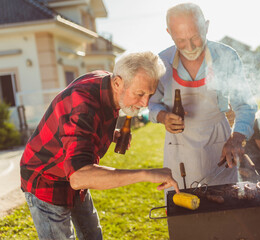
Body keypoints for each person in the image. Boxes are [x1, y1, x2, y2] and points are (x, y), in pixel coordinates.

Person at [20, 51, 179, 240]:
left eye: (149, 94)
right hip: (46, 177)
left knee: (93, 235)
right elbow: (79, 176)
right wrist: (146, 174)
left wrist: (110, 134)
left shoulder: (106, 82)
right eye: (140, 94)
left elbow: (78, 129)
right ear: (118, 82)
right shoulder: (83, 104)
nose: (145, 102)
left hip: (72, 170)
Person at [148, 3, 257, 190]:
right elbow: (152, 105)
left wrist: (237, 138)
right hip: (178, 147)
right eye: (180, 40)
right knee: (182, 207)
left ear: (206, 27)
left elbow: (245, 104)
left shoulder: (226, 56)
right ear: (169, 33)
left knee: (225, 204)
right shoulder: (161, 62)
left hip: (220, 144)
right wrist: (163, 117)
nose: (189, 47)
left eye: (195, 37)